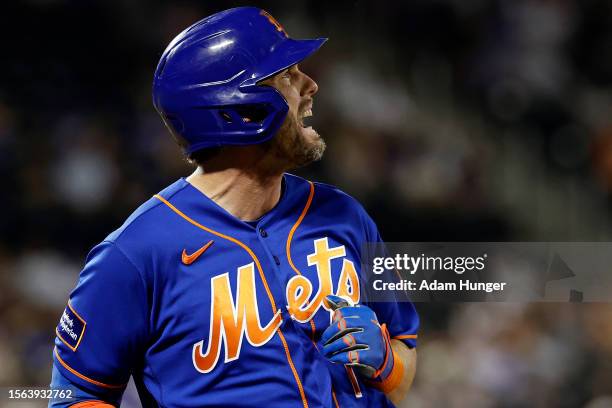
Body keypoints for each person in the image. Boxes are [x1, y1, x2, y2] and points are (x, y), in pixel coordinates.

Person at [49, 7, 419, 408]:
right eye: (287, 77)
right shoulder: (135, 255)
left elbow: (403, 366)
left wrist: (388, 364)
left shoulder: (346, 215)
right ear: (240, 110)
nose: (310, 85)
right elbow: (73, 397)